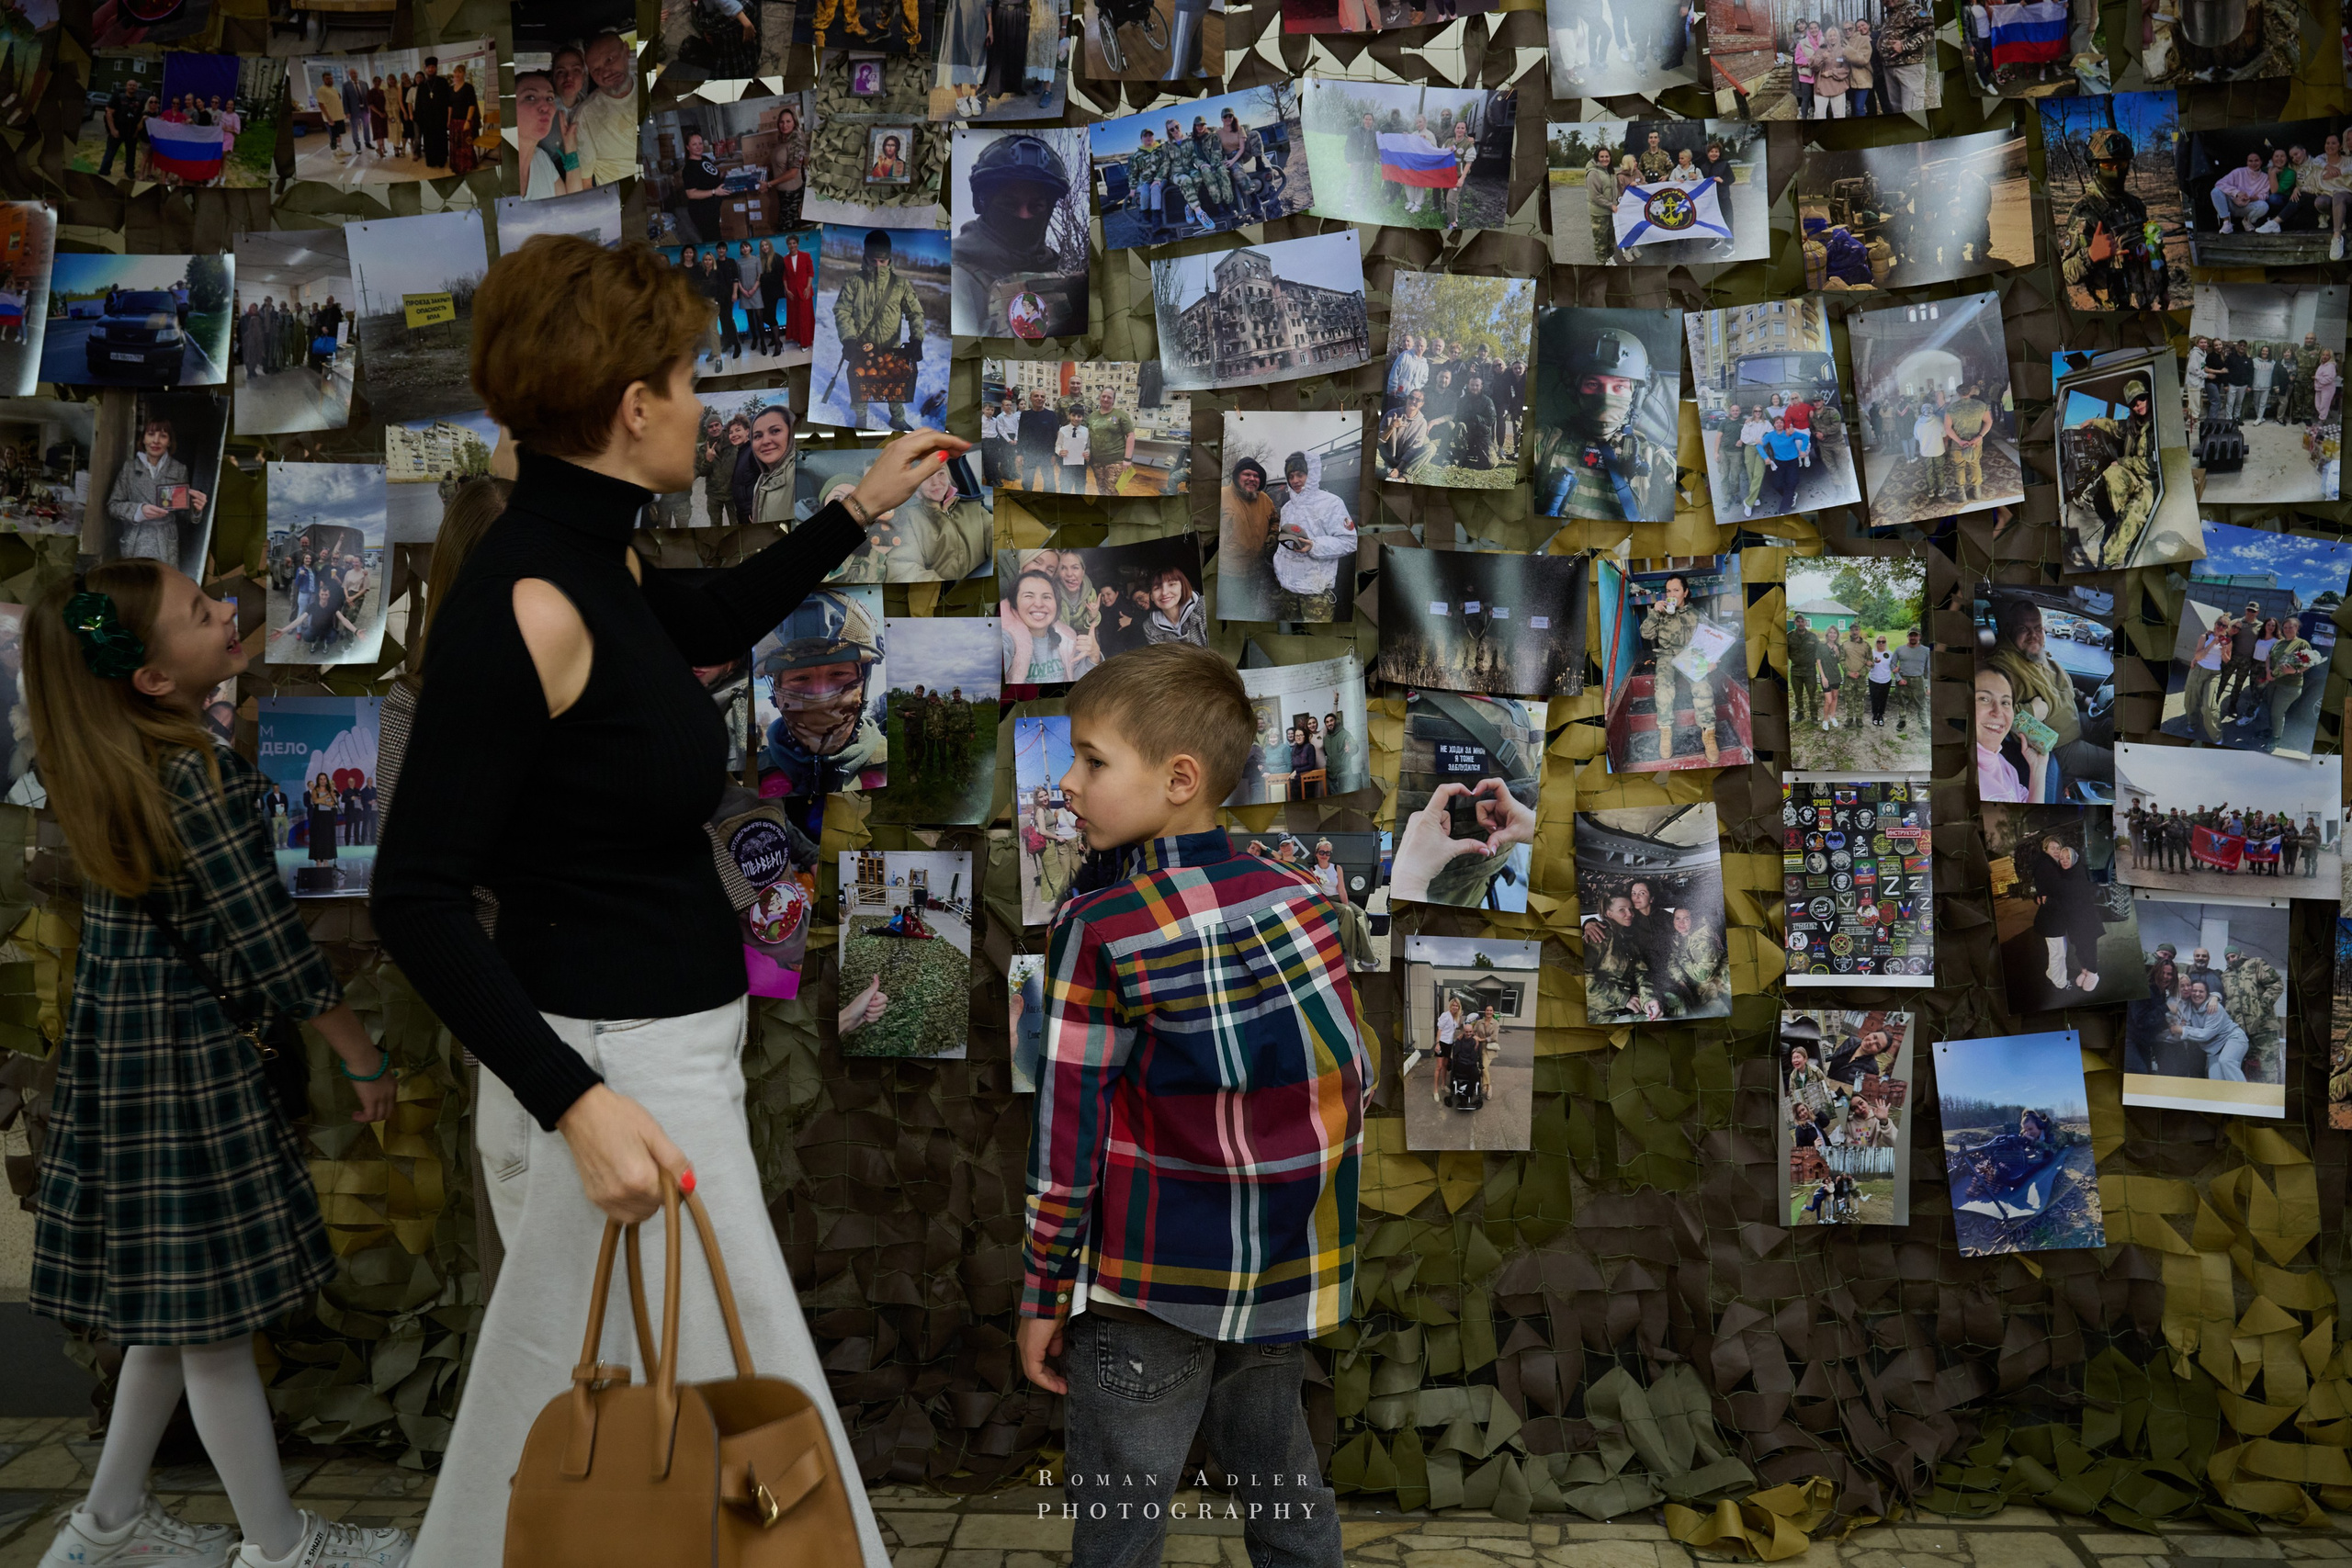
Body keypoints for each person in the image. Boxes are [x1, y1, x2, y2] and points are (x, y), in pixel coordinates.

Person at [367, 238, 952, 1568]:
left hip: (661, 1060)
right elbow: (415, 893)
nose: (703, 402)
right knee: (700, 1438)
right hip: (619, 1086)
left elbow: (704, 615)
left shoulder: (596, 564)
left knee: (650, 1439)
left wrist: (856, 508)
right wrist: (575, 1102)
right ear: (635, 406)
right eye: (688, 378)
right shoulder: (526, 600)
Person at [22, 561, 412, 1568]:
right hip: (182, 1070)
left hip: (131, 1065)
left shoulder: (115, 762)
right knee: (214, 1326)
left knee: (176, 1306)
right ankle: (282, 1549)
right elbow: (267, 942)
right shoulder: (193, 772)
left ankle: (102, 1528)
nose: (227, 611)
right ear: (151, 678)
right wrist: (362, 1057)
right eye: (201, 614)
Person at [1017, 643, 1364, 1568]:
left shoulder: (1098, 930)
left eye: (1092, 760)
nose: (1070, 781)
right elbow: (1344, 1082)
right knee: (1284, 1487)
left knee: (1120, 1525)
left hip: (1146, 1287)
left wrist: (1043, 1291)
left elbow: (1067, 1136)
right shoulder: (1299, 901)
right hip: (1276, 1280)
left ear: (1178, 778)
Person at [1534, 324, 1673, 520]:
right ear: (1575, 390)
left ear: (1636, 395)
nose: (1606, 397)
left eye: (1619, 386)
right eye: (1593, 384)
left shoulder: (1653, 457)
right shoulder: (1545, 441)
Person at [833, 230, 926, 431]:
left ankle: (897, 418)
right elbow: (842, 311)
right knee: (861, 384)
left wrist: (917, 339)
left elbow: (916, 314)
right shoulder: (853, 283)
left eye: (883, 261)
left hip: (892, 348)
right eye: (873, 260)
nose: (878, 266)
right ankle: (861, 418)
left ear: (889, 259)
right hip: (861, 348)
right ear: (865, 257)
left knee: (895, 383)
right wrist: (848, 339)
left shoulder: (901, 285)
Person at [1640, 572, 1721, 766]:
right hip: (1667, 655)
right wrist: (1654, 612)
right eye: (1668, 591)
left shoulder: (1696, 615)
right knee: (1663, 687)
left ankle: (1709, 733)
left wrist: (1712, 660)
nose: (1672, 595)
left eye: (1676, 590)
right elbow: (1645, 633)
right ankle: (1666, 731)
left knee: (1702, 686)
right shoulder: (1662, 613)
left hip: (1690, 655)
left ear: (1685, 592)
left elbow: (1711, 640)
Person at [107, 418, 207, 570]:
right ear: (143, 439)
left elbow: (182, 512)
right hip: (136, 541)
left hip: (165, 544)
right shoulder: (129, 469)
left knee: (164, 586)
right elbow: (113, 506)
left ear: (169, 442)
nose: (156, 441)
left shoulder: (179, 470)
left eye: (163, 436)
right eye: (151, 434)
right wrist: (139, 511)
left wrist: (196, 509)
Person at [1270, 449, 1356, 621]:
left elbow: (1349, 541)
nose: (1295, 480)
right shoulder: (1287, 508)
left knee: (1317, 641)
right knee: (1291, 638)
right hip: (1288, 590)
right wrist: (1278, 569)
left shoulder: (1332, 503)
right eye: (1291, 476)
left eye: (1300, 474)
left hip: (1315, 595)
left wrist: (1314, 546)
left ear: (1312, 474)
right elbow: (1284, 544)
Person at [1001, 564, 1097, 683]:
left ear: (1056, 605)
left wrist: (1094, 657)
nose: (1039, 604)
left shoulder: (1068, 639)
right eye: (1028, 596)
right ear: (1014, 604)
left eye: (1046, 597)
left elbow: (1079, 682)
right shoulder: (1006, 638)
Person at [574, 32, 641, 185]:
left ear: (626, 51)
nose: (605, 73)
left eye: (610, 60)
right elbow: (585, 183)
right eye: (596, 70)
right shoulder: (586, 115)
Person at [1973, 664, 2047, 803]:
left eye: (2005, 702)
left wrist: (2038, 768)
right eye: (1984, 699)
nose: (1998, 711)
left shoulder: (2003, 765)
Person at [514, 68, 586, 199]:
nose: (545, 106)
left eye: (549, 98)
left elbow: (572, 202)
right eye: (530, 97)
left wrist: (570, 148)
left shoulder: (542, 159)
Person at [1081, 387, 1134, 496]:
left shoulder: (1120, 415)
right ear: (1100, 397)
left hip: (1115, 461)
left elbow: (1130, 435)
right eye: (1103, 396)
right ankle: (1105, 512)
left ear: (1113, 400)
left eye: (1109, 397)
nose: (1105, 399)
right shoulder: (1092, 416)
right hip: (1096, 462)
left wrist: (1127, 459)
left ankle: (1113, 513)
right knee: (1101, 490)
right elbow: (1086, 436)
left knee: (1112, 492)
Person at [1143, 565, 1207, 646]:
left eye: (1171, 584)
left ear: (1182, 587)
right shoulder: (1149, 627)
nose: (1164, 593)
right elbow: (1163, 657)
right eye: (1157, 588)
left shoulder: (1203, 606)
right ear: (1151, 596)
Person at [2213, 151, 2274, 232]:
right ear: (2247, 162)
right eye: (2250, 161)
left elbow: (2264, 194)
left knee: (2264, 206)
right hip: (2231, 204)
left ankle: (2247, 221)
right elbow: (2220, 183)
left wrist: (2251, 198)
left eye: (2256, 160)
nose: (2253, 163)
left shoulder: (2265, 177)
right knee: (2216, 191)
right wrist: (2237, 193)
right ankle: (2227, 223)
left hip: (2247, 206)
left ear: (2261, 162)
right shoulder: (2238, 172)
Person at [410, 56, 452, 170]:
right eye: (429, 68)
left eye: (433, 67)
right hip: (427, 120)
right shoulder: (422, 86)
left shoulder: (442, 82)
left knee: (441, 140)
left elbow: (448, 100)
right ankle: (431, 160)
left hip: (440, 118)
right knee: (429, 142)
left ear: (436, 68)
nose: (431, 69)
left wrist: (448, 118)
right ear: (425, 69)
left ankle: (441, 160)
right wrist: (419, 119)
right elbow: (418, 104)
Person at [1866, 634, 1894, 727]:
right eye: (1879, 641)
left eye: (1883, 641)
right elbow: (1866, 663)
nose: (1881, 643)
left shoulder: (1890, 653)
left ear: (1886, 643)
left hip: (1886, 680)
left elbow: (1893, 666)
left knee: (1883, 699)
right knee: (1874, 699)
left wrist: (1896, 669)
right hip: (1874, 679)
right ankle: (1875, 715)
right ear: (1876, 643)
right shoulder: (1872, 653)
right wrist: (1871, 662)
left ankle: (1881, 715)